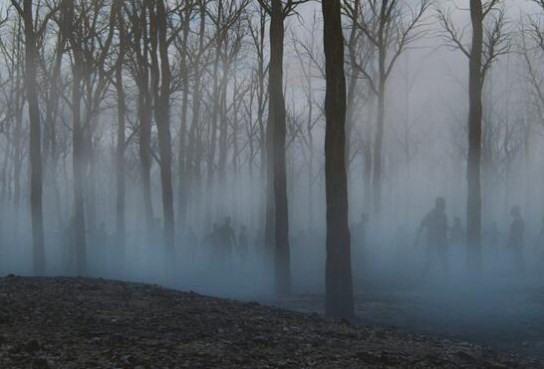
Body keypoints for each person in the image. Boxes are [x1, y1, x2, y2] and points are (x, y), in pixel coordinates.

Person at [416, 197, 449, 278]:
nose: (444, 205)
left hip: (436, 240)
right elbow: (423, 223)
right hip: (434, 240)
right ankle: (423, 276)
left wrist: (417, 238)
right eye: (443, 203)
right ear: (441, 204)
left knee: (439, 259)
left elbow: (422, 223)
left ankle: (446, 277)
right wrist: (417, 238)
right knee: (439, 259)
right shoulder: (433, 214)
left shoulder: (441, 215)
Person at [507, 206, 525, 273]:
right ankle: (519, 271)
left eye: (513, 211)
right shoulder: (519, 220)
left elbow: (515, 232)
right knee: (518, 256)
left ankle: (520, 272)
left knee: (518, 257)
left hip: (518, 242)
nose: (511, 213)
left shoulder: (518, 220)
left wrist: (510, 241)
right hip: (518, 241)